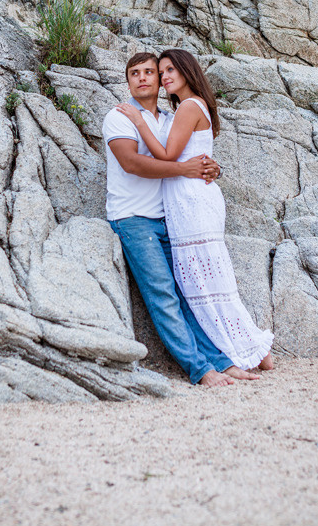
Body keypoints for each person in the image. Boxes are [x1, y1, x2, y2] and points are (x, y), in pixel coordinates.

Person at [103, 52, 259, 387]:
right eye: (135, 73)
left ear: (160, 81)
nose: (143, 78)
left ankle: (221, 362)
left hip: (170, 219)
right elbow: (133, 164)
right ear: (127, 80)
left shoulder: (169, 119)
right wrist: (184, 169)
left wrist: (209, 168)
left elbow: (192, 155)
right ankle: (200, 370)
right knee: (164, 295)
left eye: (151, 72)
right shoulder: (120, 117)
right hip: (134, 219)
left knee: (190, 294)